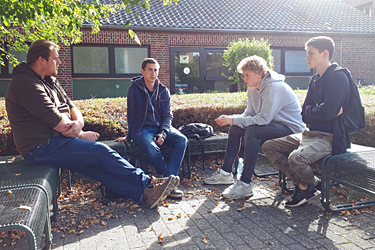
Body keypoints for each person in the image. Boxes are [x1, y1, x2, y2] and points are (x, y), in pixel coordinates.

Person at [5, 39, 179, 209]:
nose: (59, 62)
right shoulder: (26, 84)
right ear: (41, 60)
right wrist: (80, 134)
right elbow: (60, 125)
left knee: (96, 168)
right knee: (101, 152)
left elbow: (72, 106)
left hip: (56, 142)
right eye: (55, 58)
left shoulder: (49, 80)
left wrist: (79, 123)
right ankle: (150, 182)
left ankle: (144, 195)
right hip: (39, 148)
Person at [262, 36, 351, 207]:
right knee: (268, 146)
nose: (306, 58)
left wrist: (320, 111)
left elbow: (327, 112)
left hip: (330, 137)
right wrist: (321, 110)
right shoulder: (315, 79)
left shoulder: (338, 77)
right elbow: (304, 114)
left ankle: (309, 186)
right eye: (307, 53)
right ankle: (308, 185)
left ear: (325, 53)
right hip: (308, 135)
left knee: (296, 159)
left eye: (311, 53)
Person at [204, 55, 305, 199]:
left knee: (252, 131)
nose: (244, 79)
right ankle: (226, 173)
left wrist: (233, 119)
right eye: (243, 75)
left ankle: (245, 184)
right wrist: (233, 120)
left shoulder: (273, 87)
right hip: (273, 125)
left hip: (291, 129)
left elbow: (263, 119)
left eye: (247, 75)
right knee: (236, 128)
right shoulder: (252, 87)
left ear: (259, 74)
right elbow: (249, 114)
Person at [116, 58, 188, 198]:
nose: (153, 73)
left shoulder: (163, 91)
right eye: (150, 69)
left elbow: (168, 116)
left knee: (182, 140)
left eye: (156, 70)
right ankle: (169, 181)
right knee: (151, 148)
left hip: (162, 128)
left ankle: (167, 181)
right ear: (143, 71)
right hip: (143, 130)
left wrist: (163, 133)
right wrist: (129, 136)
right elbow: (131, 114)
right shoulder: (134, 90)